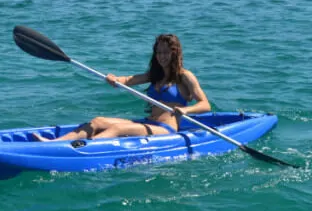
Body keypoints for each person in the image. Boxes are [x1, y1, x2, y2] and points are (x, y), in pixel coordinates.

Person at [35, 33, 211, 142]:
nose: (162, 56)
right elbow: (129, 79)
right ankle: (53, 143)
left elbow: (205, 104)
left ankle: (85, 148)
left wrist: (185, 111)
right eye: (159, 52)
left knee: (118, 129)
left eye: (166, 52)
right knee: (97, 121)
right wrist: (115, 79)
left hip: (165, 129)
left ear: (175, 53)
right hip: (148, 122)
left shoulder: (184, 76)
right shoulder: (154, 74)